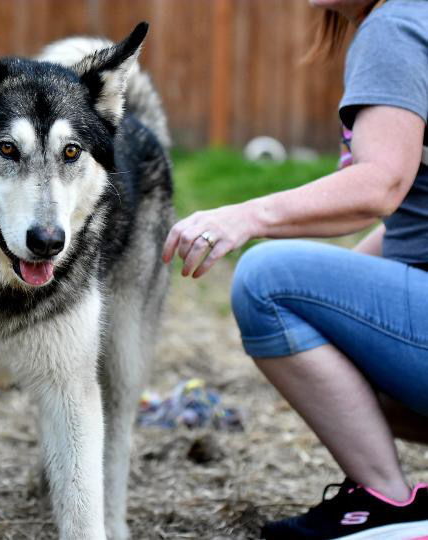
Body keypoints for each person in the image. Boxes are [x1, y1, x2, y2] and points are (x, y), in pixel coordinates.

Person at [162, 0, 428, 538]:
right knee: (334, 356)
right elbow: (416, 219)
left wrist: (246, 215)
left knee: (265, 278)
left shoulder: (396, 26)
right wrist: (336, 316)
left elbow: (382, 185)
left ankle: (389, 506)